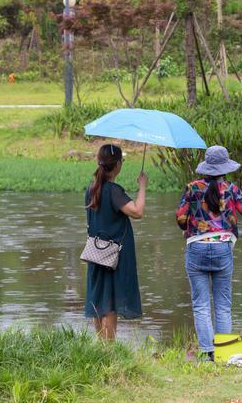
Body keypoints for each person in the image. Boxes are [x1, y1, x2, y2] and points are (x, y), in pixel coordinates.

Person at [176, 145, 242, 361]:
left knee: (200, 304)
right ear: (225, 169)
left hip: (196, 248)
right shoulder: (231, 189)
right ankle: (224, 352)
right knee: (223, 304)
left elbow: (180, 218)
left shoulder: (192, 188)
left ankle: (207, 353)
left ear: (205, 168)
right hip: (223, 248)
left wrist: (190, 229)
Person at [85, 143, 147, 340]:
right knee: (110, 302)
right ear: (118, 164)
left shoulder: (92, 189)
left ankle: (101, 345)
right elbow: (137, 212)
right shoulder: (113, 190)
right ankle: (109, 350)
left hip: (95, 252)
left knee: (98, 300)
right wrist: (142, 186)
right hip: (113, 255)